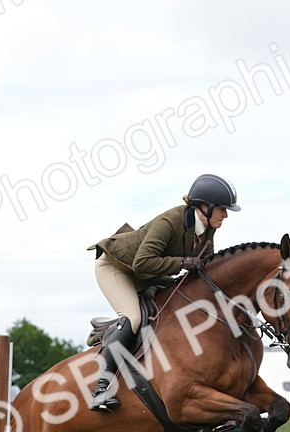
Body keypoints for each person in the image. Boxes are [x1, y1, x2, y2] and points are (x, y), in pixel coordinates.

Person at [87, 173, 240, 413]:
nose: (226, 215)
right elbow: (141, 263)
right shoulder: (170, 221)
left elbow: (205, 268)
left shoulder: (207, 229)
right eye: (222, 209)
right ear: (205, 207)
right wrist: (182, 262)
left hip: (148, 272)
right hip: (117, 267)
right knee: (133, 317)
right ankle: (101, 388)